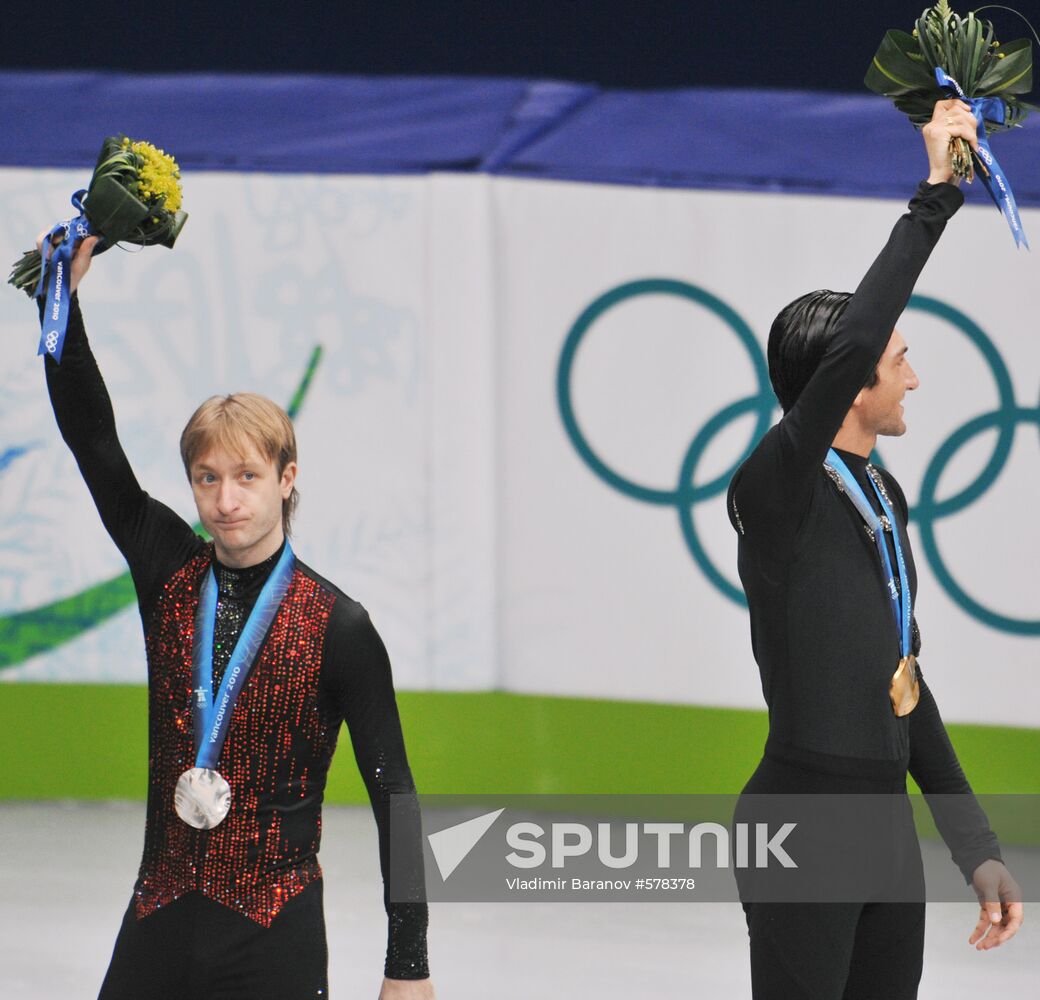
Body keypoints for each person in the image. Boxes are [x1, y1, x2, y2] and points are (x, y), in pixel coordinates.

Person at [34, 231, 435, 1000]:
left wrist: (408, 965)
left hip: (272, 932)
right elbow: (93, 440)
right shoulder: (168, 570)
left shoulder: (337, 625)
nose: (226, 499)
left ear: (287, 479)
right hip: (157, 914)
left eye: (247, 475)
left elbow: (398, 796)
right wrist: (61, 304)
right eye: (207, 477)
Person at [726, 99, 1023, 999]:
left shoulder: (881, 494)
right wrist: (936, 195)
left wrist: (973, 847)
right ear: (848, 385)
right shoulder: (775, 491)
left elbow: (904, 685)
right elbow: (857, 332)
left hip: (883, 828)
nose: (914, 376)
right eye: (898, 360)